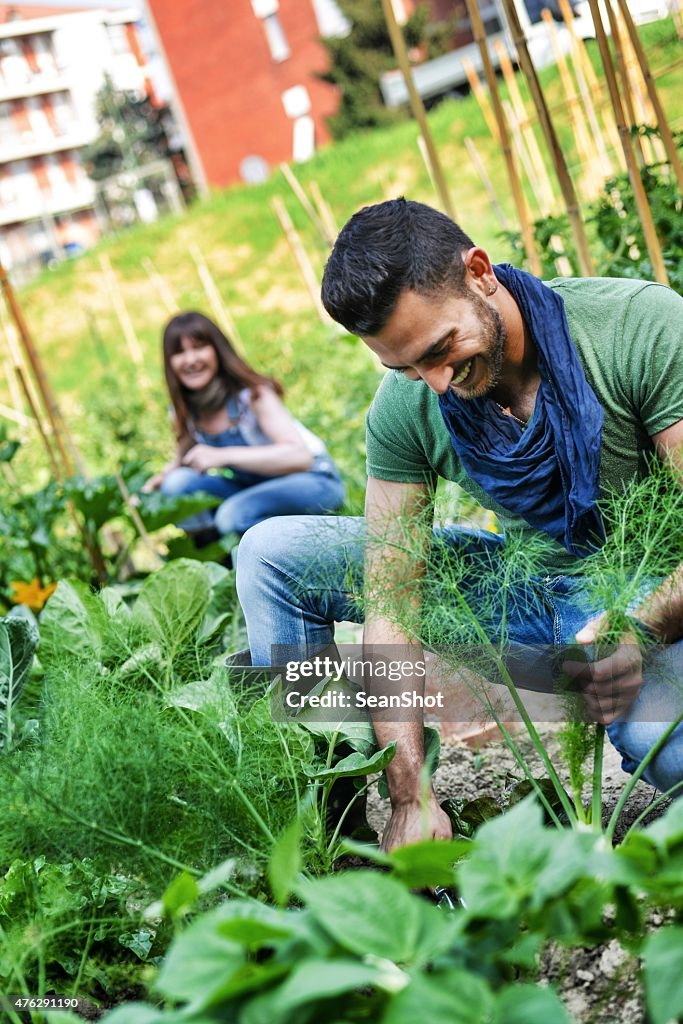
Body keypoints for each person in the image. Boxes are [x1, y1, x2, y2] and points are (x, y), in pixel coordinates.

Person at [235, 199, 683, 850]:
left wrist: (638, 628)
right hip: (526, 603)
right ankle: (324, 835)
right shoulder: (410, 403)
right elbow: (390, 607)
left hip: (656, 603)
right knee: (270, 553)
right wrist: (408, 792)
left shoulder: (634, 327)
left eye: (440, 350)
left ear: (479, 272)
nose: (435, 383)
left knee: (662, 746)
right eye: (406, 367)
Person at [143, 311, 345, 543]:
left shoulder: (253, 395)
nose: (190, 360)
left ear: (217, 350)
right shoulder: (186, 410)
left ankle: (302, 554)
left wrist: (223, 456)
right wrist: (153, 488)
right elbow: (182, 459)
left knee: (231, 516)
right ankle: (215, 558)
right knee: (177, 484)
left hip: (312, 481)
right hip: (253, 488)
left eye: (198, 347)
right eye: (179, 352)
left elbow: (300, 457)